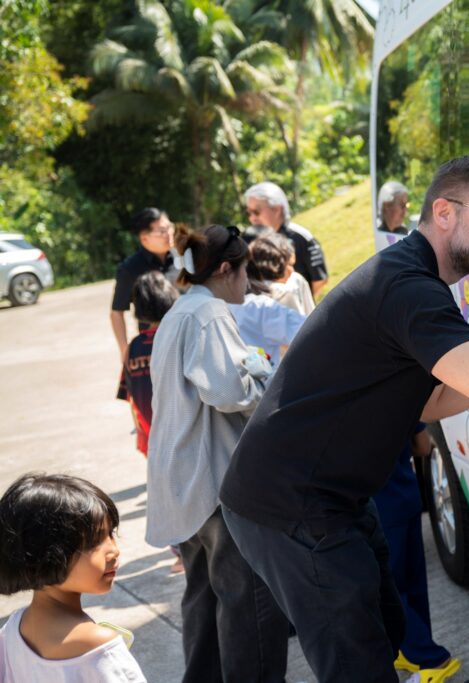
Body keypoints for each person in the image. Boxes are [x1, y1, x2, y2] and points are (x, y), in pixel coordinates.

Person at [219, 154, 469, 683]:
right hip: (293, 506)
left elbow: (431, 400)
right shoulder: (406, 286)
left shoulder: (412, 278)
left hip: (332, 497)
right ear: (444, 212)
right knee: (357, 665)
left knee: (385, 629)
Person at [146, 224, 288, 682]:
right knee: (249, 602)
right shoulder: (209, 312)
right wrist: (266, 376)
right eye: (246, 271)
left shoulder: (180, 311)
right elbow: (228, 391)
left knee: (203, 600)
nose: (249, 282)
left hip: (181, 482)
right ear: (227, 269)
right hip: (215, 484)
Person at [0, 473, 147, 682]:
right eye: (94, 542)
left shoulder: (14, 629)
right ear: (45, 555)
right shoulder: (99, 649)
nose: (114, 550)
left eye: (111, 534)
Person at [374, 424, 460, 682]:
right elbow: (423, 446)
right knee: (413, 583)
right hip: (407, 494)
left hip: (379, 508)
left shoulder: (344, 407)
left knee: (386, 590)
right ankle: (411, 649)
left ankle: (430, 657)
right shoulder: (396, 399)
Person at [117, 272, 179, 458]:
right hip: (183, 431)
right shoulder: (177, 337)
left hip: (152, 436)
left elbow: (131, 396)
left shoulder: (133, 347)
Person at [110, 208, 178, 361]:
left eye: (170, 227)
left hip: (190, 337)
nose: (169, 233)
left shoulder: (183, 258)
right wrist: (125, 351)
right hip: (155, 348)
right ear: (144, 238)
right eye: (162, 231)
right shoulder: (130, 268)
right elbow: (117, 313)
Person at [244, 182, 329, 299]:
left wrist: (300, 302)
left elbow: (319, 279)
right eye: (249, 213)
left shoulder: (300, 237)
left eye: (256, 212)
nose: (252, 218)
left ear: (277, 209)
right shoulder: (252, 240)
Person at [249, 231, 315, 317]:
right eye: (289, 265)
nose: (292, 270)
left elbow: (311, 314)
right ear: (274, 265)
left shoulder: (296, 280)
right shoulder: (282, 293)